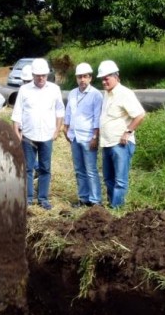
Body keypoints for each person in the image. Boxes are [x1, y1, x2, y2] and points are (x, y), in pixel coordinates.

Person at [11, 58, 65, 210]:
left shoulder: (54, 89)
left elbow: (60, 110)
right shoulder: (24, 90)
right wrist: (16, 131)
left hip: (47, 135)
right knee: (28, 168)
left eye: (43, 75)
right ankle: (28, 198)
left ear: (47, 74)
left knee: (45, 168)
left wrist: (57, 129)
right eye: (38, 75)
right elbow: (17, 113)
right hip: (28, 135)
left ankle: (43, 198)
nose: (41, 78)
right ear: (33, 75)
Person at [97, 60, 146, 209]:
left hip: (120, 143)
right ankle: (112, 204)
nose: (104, 82)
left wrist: (128, 131)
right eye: (102, 79)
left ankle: (117, 208)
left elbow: (140, 115)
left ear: (116, 76)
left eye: (107, 78)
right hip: (107, 142)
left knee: (120, 180)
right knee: (108, 178)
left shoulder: (124, 93)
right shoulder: (107, 94)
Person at [63, 62, 103, 207]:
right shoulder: (73, 93)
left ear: (90, 78)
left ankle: (95, 200)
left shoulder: (96, 95)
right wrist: (65, 128)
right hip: (74, 136)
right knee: (79, 170)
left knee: (91, 170)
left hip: (88, 137)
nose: (82, 80)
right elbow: (68, 112)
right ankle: (83, 198)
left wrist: (95, 136)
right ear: (76, 78)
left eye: (85, 77)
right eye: (80, 77)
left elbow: (97, 117)